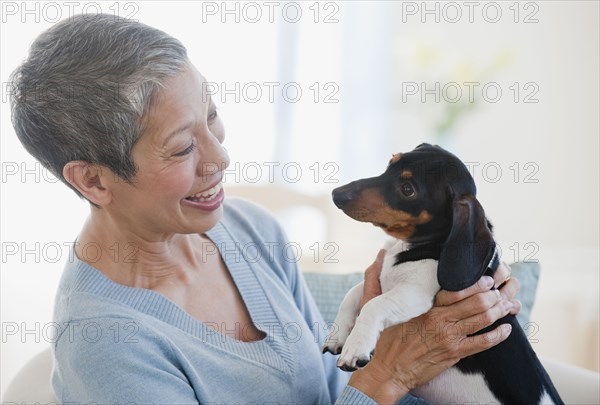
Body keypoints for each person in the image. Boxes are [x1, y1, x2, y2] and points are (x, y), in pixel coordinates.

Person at [9, 14, 520, 404]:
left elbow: (329, 388)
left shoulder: (248, 228)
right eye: (183, 147)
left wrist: (450, 305)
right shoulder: (108, 347)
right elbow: (372, 382)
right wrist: (389, 374)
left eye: (213, 117)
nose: (220, 157)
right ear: (93, 179)